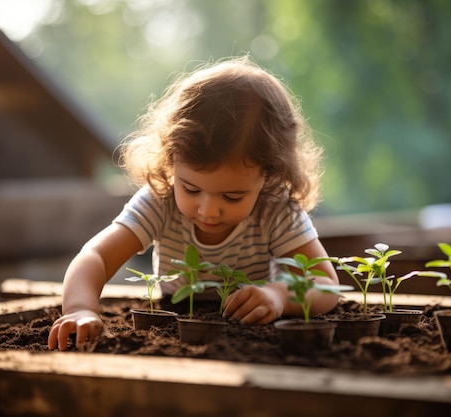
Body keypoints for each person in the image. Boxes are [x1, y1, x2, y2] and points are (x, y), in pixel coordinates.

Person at [48, 56, 341, 351]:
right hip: (175, 326)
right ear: (172, 160)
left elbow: (326, 285)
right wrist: (79, 309)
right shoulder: (160, 200)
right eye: (190, 189)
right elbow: (96, 257)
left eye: (232, 196)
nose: (208, 210)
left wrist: (279, 296)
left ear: (268, 175)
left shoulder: (275, 209)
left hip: (250, 332)